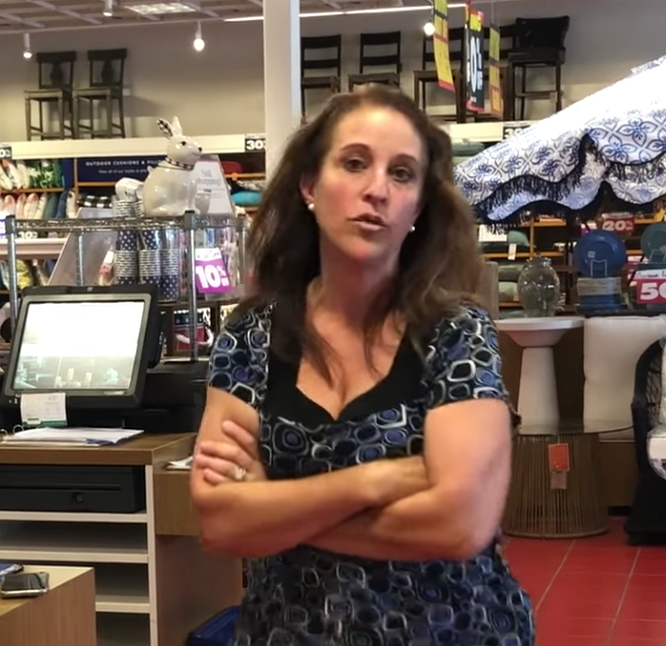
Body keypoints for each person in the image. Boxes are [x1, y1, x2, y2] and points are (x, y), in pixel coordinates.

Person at [190, 86, 533, 646]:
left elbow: (459, 524)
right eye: (354, 163)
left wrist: (278, 511)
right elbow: (221, 523)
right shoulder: (251, 337)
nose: (377, 189)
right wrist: (381, 477)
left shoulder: (454, 334)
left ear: (419, 205)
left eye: (402, 174)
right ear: (308, 185)